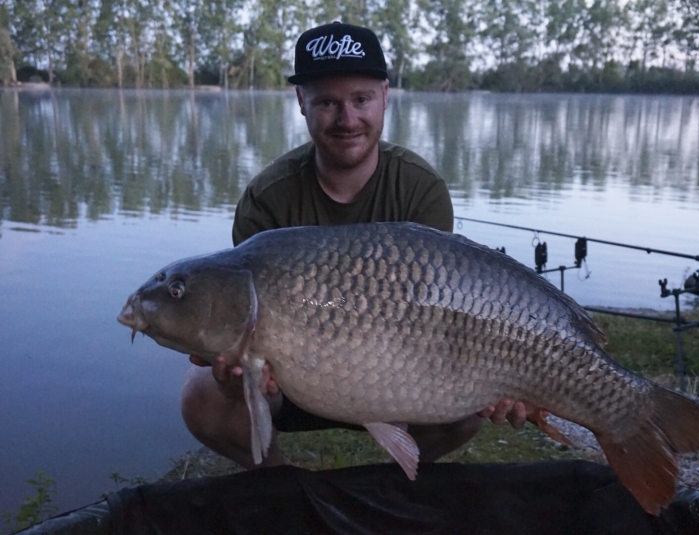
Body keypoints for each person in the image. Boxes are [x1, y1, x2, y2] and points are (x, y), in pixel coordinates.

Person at [180, 22, 530, 470]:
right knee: (202, 398)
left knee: (467, 406)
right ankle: (285, 488)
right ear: (301, 101)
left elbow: (445, 313)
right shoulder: (268, 198)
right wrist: (237, 380)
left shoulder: (420, 190)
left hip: (402, 382)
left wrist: (501, 381)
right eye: (327, 101)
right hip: (292, 384)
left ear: (385, 95)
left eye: (361, 99)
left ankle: (385, 489)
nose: (347, 120)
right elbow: (243, 336)